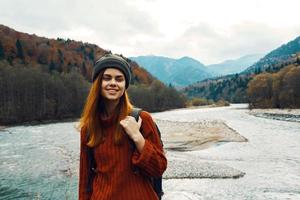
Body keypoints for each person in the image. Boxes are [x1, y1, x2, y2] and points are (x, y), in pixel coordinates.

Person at [78, 53, 167, 200]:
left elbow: (159, 168)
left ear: (125, 85)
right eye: (107, 78)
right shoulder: (88, 128)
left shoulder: (142, 119)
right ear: (98, 83)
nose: (113, 83)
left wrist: (138, 138)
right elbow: (85, 181)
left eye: (119, 79)